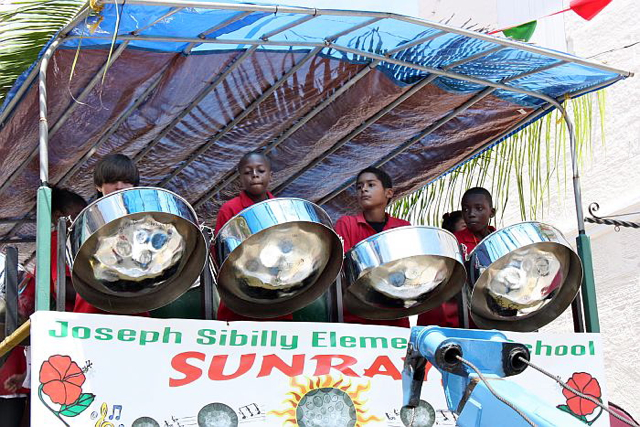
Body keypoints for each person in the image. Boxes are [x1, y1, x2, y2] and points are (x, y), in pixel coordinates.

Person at [214, 151, 294, 321]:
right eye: (248, 172)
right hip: (240, 301)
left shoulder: (282, 209)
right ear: (240, 179)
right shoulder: (229, 210)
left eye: (260, 171)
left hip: (277, 298)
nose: (255, 175)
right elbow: (221, 258)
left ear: (270, 175)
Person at [334, 167, 411, 328]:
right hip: (357, 317)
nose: (364, 190)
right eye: (359, 186)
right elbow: (344, 269)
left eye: (371, 185)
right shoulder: (346, 224)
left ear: (388, 193)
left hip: (395, 316)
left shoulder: (403, 227)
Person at [73, 153, 145, 315]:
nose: (119, 186)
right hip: (93, 308)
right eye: (112, 182)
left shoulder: (146, 219)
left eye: (126, 181)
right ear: (99, 186)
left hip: (135, 306)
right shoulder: (87, 222)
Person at [418, 187, 496, 328]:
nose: (471, 214)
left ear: (492, 212)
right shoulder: (451, 242)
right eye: (466, 209)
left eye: (479, 208)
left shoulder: (499, 241)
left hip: (492, 317)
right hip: (457, 321)